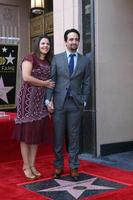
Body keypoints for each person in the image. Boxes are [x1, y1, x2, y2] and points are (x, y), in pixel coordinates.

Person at [45, 28, 90, 181]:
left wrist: (84, 99)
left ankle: (74, 167)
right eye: (71, 39)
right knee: (58, 137)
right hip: (59, 104)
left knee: (74, 137)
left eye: (76, 39)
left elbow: (87, 82)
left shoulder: (85, 60)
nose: (74, 42)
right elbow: (52, 81)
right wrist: (47, 100)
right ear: (66, 42)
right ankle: (58, 165)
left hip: (75, 105)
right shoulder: (57, 59)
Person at [13, 35, 55, 180]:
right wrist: (45, 84)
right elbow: (26, 77)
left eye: (48, 44)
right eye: (43, 43)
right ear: (38, 44)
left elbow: (52, 83)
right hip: (27, 100)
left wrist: (49, 101)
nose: (45, 46)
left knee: (36, 134)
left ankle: (32, 164)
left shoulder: (49, 61)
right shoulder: (30, 57)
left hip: (40, 102)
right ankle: (25, 165)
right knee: (26, 134)